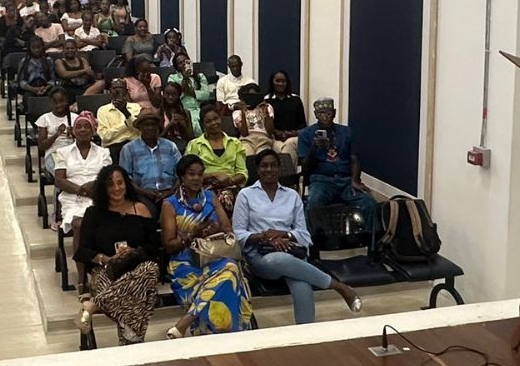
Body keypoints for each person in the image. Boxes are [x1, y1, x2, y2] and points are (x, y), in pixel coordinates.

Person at [234, 149, 363, 323]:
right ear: (257, 170)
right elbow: (238, 234)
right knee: (279, 259)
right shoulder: (246, 195)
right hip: (261, 257)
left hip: (291, 251)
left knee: (302, 285)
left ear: (280, 169)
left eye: (273, 165)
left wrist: (284, 234)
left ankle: (306, 332)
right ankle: (340, 287)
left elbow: (304, 235)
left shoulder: (292, 195)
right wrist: (265, 236)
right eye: (264, 166)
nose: (269, 170)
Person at [161, 154, 251, 337]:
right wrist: (192, 235)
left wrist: (213, 229)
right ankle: (228, 334)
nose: (196, 178)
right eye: (191, 174)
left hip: (213, 256)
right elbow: (169, 245)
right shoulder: (169, 204)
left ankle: (186, 322)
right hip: (185, 262)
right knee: (229, 276)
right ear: (182, 176)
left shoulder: (210, 197)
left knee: (230, 267)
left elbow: (228, 230)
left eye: (200, 174)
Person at [73, 166, 163, 345]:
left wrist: (133, 252)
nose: (116, 188)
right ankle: (131, 341)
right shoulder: (94, 213)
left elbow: (154, 248)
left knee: (151, 269)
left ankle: (93, 304)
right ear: (103, 188)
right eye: (110, 184)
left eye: (120, 183)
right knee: (139, 295)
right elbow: (83, 250)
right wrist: (105, 259)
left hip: (138, 270)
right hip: (105, 271)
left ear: (127, 184)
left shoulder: (141, 209)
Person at [297, 98, 376, 220]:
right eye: (321, 113)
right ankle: (314, 232)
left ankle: (369, 232)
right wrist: (314, 148)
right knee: (313, 204)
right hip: (321, 181)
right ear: (315, 114)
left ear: (334, 113)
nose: (325, 117)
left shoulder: (346, 131)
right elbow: (305, 167)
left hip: (345, 180)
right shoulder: (305, 134)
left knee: (369, 203)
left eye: (328, 113)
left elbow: (354, 159)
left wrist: (355, 180)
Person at [53, 112, 109, 234]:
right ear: (73, 131)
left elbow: (107, 177)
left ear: (93, 131)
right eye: (78, 127)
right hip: (72, 198)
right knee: (80, 224)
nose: (82, 129)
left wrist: (93, 188)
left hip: (97, 195)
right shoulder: (62, 152)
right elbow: (59, 180)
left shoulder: (104, 152)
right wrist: (82, 191)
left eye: (87, 126)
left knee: (101, 222)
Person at [185, 104, 248, 211]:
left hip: (231, 186)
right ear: (202, 124)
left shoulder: (235, 143)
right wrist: (214, 175)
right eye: (208, 121)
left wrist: (229, 180)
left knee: (227, 196)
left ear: (221, 119)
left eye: (216, 118)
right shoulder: (194, 145)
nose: (214, 123)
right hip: (204, 187)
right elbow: (188, 174)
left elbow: (242, 173)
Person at [119, 113, 181, 213]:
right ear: (139, 128)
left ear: (158, 127)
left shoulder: (170, 146)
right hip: (142, 195)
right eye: (146, 125)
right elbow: (126, 179)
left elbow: (181, 174)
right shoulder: (128, 149)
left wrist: (171, 192)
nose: (150, 127)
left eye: (153, 124)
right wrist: (145, 193)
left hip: (170, 193)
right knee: (147, 212)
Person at [233, 82, 296, 162]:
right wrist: (243, 111)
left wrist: (265, 112)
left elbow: (270, 131)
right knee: (248, 156)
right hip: (247, 140)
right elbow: (244, 133)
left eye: (254, 96)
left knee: (263, 158)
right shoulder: (237, 113)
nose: (252, 99)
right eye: (249, 96)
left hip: (264, 138)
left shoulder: (267, 107)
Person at [35, 88, 77, 180]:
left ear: (67, 101)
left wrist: (74, 134)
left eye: (61, 101)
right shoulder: (44, 119)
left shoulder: (75, 118)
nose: (59, 105)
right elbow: (41, 146)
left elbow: (84, 141)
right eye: (55, 102)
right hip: (54, 153)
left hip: (73, 152)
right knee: (62, 174)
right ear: (50, 103)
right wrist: (56, 135)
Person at [169, 55, 215, 135]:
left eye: (186, 61)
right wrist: (185, 78)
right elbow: (174, 96)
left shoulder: (200, 76)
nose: (184, 64)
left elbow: (206, 95)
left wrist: (191, 92)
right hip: (182, 109)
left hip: (199, 108)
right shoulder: (173, 78)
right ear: (176, 67)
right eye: (180, 63)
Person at [266, 70, 308, 145]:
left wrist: (295, 133)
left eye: (283, 81)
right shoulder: (266, 100)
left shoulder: (296, 99)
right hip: (273, 138)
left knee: (290, 144)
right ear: (272, 82)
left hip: (294, 138)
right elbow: (264, 125)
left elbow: (303, 124)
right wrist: (276, 132)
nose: (280, 84)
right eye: (277, 81)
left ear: (287, 83)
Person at [97, 80, 142, 147]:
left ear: (126, 91)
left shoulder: (136, 107)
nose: (117, 90)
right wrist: (127, 123)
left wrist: (126, 113)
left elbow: (139, 130)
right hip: (113, 146)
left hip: (135, 144)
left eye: (120, 88)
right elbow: (105, 136)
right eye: (114, 88)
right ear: (110, 91)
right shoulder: (102, 110)